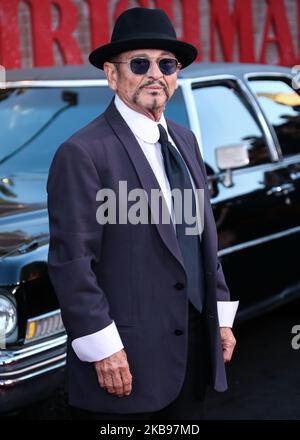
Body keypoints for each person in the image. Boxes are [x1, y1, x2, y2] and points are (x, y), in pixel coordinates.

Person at [47, 7, 239, 420]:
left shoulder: (184, 140)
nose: (156, 73)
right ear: (112, 76)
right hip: (126, 360)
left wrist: (220, 318)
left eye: (166, 63)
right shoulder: (82, 153)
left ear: (176, 74)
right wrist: (104, 348)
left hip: (191, 349)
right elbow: (73, 263)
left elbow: (201, 237)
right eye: (140, 63)